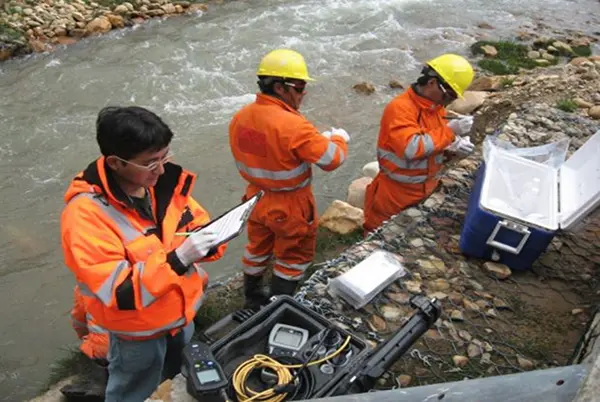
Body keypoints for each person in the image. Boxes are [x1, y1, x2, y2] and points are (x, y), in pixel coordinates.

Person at [61, 106, 227, 402]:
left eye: (165, 157)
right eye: (151, 163)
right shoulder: (85, 216)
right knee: (131, 393)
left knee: (177, 377)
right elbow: (120, 291)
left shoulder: (160, 185)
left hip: (180, 318)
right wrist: (178, 260)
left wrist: (215, 238)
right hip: (137, 336)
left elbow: (195, 223)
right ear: (115, 163)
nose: (162, 169)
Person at [229, 49, 350, 309]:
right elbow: (332, 159)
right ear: (280, 87)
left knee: (257, 248)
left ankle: (252, 298)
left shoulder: (241, 117)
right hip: (289, 204)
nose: (303, 92)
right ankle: (278, 305)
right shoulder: (294, 125)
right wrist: (339, 138)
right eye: (300, 86)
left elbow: (270, 149)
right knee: (293, 256)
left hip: (255, 198)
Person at [363, 53, 476, 233]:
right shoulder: (400, 108)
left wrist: (452, 148)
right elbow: (411, 148)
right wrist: (450, 131)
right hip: (395, 195)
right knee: (379, 237)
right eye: (449, 95)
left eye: (453, 97)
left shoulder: (434, 109)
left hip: (424, 189)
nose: (449, 102)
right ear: (432, 83)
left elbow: (431, 146)